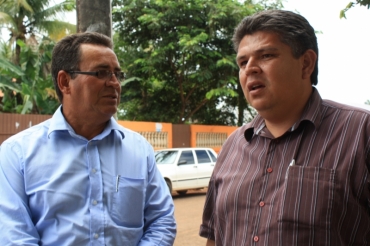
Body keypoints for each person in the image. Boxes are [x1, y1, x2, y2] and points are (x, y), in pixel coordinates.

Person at [199, 9, 370, 246]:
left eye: (266, 55)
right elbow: (214, 236)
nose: (250, 68)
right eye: (242, 62)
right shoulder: (233, 145)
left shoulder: (361, 132)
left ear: (306, 63)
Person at [0, 32, 176, 245]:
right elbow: (14, 235)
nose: (114, 84)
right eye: (101, 73)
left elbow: (161, 221)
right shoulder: (16, 154)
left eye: (117, 74)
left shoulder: (139, 149)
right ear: (65, 82)